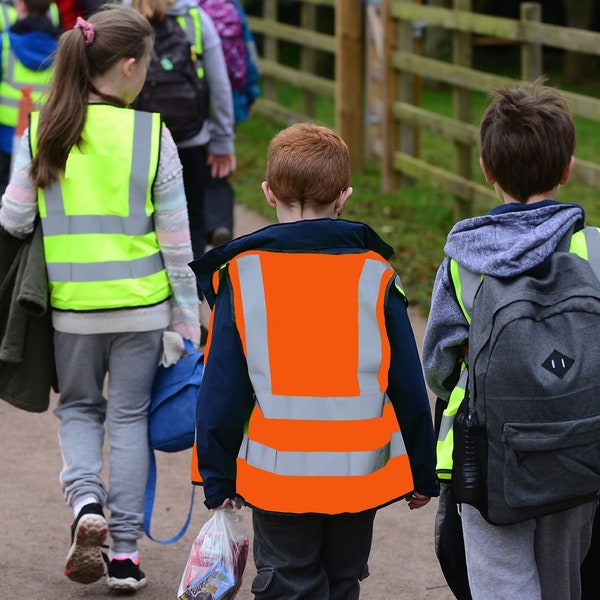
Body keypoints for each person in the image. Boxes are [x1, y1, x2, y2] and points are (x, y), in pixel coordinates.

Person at [190, 122, 439, 599]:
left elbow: (222, 388)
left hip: (279, 479)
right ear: (343, 196)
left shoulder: (243, 277)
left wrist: (217, 476)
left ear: (266, 193)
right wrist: (421, 469)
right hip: (356, 476)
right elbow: (408, 382)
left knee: (289, 582)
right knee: (343, 581)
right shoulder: (376, 275)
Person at [0, 5, 200, 593]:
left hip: (72, 310)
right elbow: (179, 245)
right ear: (131, 67)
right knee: (129, 419)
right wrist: (187, 322)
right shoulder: (153, 135)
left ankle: (86, 502)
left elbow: (13, 219)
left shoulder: (44, 130)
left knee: (81, 410)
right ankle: (124, 555)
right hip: (143, 309)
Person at [422, 81, 597, 600]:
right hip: (579, 449)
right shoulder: (592, 248)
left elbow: (438, 362)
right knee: (566, 579)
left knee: (501, 582)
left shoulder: (464, 261)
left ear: (486, 169)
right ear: (567, 168)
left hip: (486, 457)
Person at [131, 0, 236, 261]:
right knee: (192, 216)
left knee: (142, 215)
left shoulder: (123, 15)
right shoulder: (196, 19)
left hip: (138, 138)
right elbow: (220, 86)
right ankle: (192, 288)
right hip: (190, 138)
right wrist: (222, 141)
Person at [200, 0, 261, 247]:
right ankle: (220, 223)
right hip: (230, 100)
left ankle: (196, 227)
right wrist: (251, 92)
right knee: (219, 167)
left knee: (189, 167)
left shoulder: (184, 9)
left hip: (190, 102)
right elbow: (249, 54)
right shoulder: (231, 6)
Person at [0, 0, 61, 195]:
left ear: (21, 6)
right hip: (44, 125)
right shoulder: (62, 47)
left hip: (6, 126)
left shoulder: (5, 43)